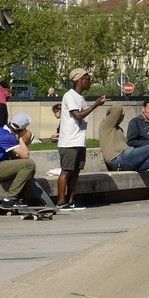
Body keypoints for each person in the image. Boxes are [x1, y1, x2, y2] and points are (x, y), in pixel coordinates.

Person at [0, 112, 54, 210]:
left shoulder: (1, 131)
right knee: (29, 164)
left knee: (29, 169)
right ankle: (10, 199)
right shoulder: (7, 137)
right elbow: (26, 156)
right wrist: (21, 137)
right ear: (22, 129)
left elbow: (16, 158)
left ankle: (22, 200)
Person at [57, 68, 108, 211]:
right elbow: (78, 115)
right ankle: (61, 202)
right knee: (66, 171)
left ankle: (71, 200)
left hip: (79, 140)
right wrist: (95, 105)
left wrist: (95, 105)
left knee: (76, 171)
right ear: (80, 81)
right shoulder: (69, 96)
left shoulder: (81, 98)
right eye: (88, 79)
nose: (90, 82)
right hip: (69, 141)